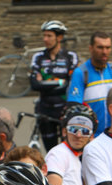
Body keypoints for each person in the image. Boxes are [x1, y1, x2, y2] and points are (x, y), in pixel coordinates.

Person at [30, 20, 79, 151]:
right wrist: (60, 82)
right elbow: (34, 85)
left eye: (49, 36)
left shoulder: (70, 56)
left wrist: (44, 83)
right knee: (51, 152)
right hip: (45, 110)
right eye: (44, 35)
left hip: (64, 109)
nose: (45, 39)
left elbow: (70, 84)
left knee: (69, 151)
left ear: (59, 37)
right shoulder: (38, 57)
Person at [67, 31, 112, 136]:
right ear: (91, 48)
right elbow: (74, 107)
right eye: (100, 47)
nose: (105, 51)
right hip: (91, 137)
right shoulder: (80, 73)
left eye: (108, 48)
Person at [45, 103, 97, 185]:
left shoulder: (75, 156)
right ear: (64, 132)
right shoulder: (58, 154)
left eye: (85, 131)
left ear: (91, 137)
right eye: (73, 129)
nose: (78, 135)